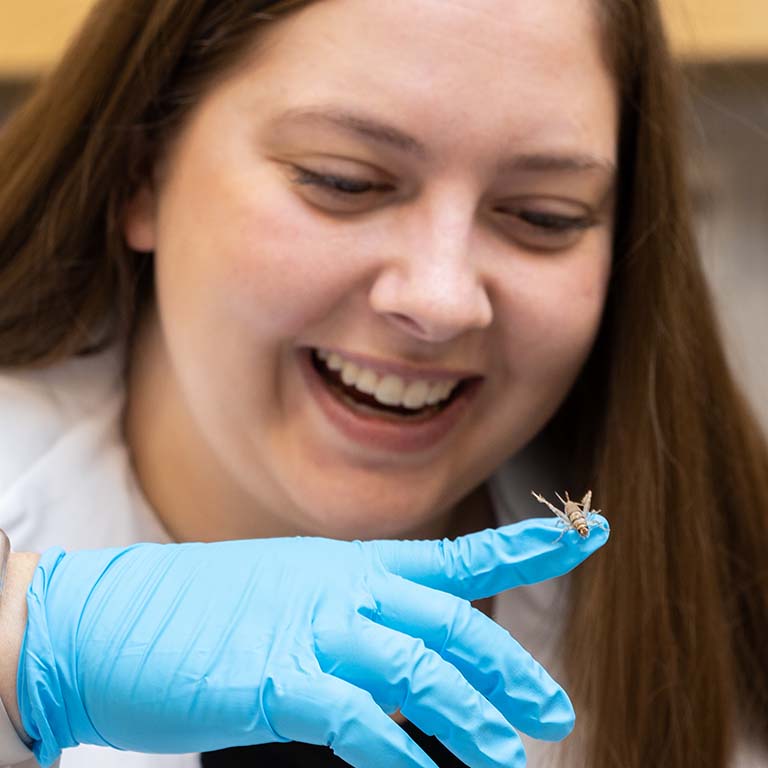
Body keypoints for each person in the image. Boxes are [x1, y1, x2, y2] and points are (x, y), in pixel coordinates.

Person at [0, 0, 766, 767]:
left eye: (544, 216)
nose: (440, 299)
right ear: (141, 170)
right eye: (346, 181)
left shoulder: (731, 594)